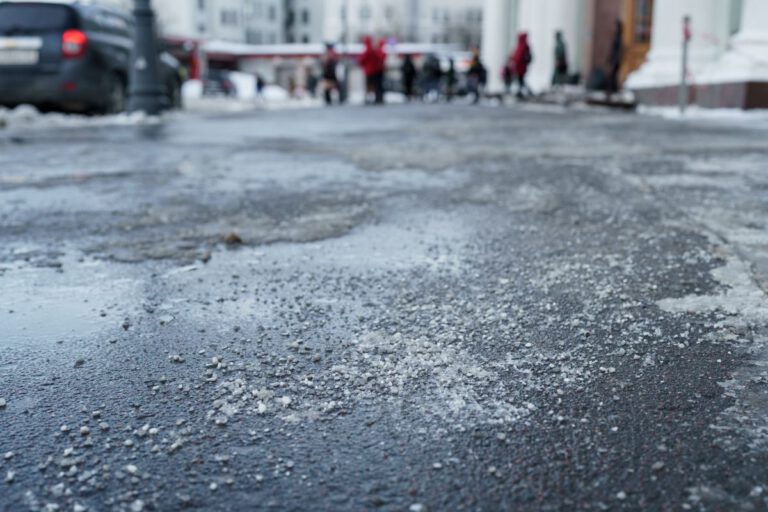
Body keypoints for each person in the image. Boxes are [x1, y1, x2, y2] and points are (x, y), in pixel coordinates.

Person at [511, 32, 533, 99]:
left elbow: (518, 56)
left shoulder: (524, 46)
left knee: (521, 80)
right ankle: (522, 92)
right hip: (519, 67)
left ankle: (524, 92)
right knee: (520, 80)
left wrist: (514, 61)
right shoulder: (521, 45)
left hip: (521, 67)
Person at [358, 36, 379, 104]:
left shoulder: (367, 50)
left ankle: (368, 98)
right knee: (373, 85)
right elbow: (377, 59)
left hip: (368, 71)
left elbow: (362, 60)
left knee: (368, 85)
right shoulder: (373, 50)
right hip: (374, 70)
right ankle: (374, 97)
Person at [606, 20, 624, 99]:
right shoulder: (616, 36)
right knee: (612, 76)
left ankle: (611, 92)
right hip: (614, 59)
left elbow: (618, 50)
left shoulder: (619, 38)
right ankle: (612, 91)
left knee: (612, 76)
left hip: (615, 60)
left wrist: (615, 59)